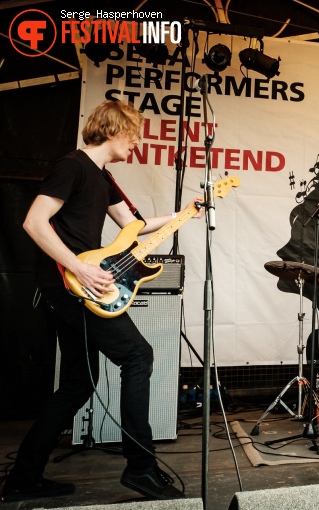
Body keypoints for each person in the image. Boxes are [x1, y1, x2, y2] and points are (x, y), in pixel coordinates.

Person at [1, 100, 202, 503]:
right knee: (138, 356)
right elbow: (33, 222)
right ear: (113, 129)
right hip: (70, 284)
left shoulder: (103, 179)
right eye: (134, 133)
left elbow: (135, 229)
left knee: (78, 382)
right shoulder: (72, 166)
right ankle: (140, 468)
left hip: (78, 286)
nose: (138, 141)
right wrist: (81, 267)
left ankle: (23, 477)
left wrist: (184, 214)